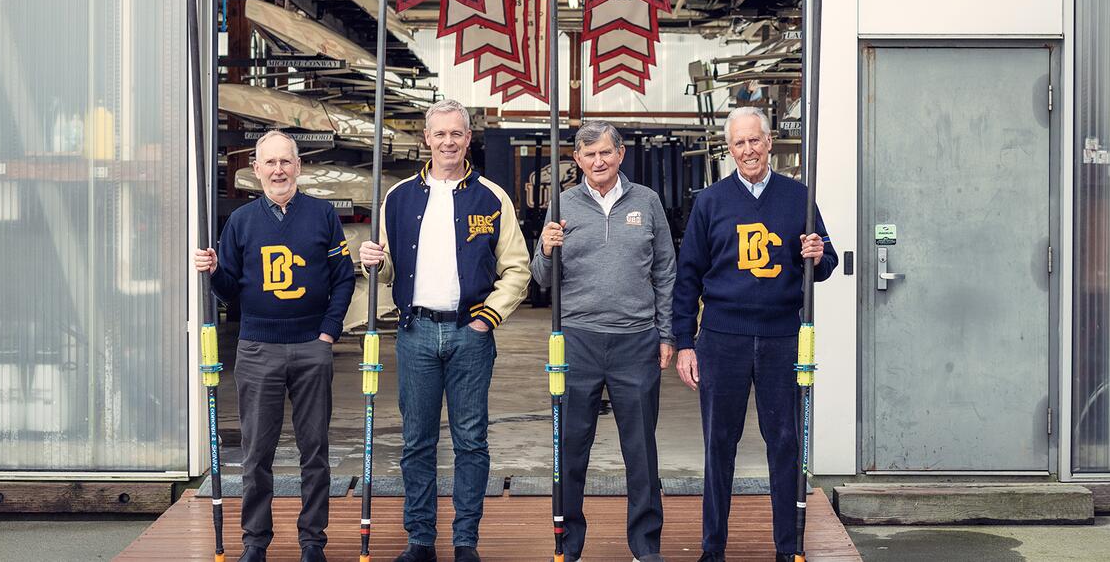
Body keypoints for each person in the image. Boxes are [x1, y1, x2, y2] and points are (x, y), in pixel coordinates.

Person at [359, 99, 530, 562]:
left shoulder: (492, 197)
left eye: (457, 134)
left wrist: (486, 319)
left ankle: (465, 541)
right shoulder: (397, 198)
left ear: (467, 139)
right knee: (417, 441)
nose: (448, 142)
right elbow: (391, 267)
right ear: (427, 139)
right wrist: (374, 260)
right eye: (440, 134)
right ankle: (420, 540)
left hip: (469, 333)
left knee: (471, 440)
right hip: (416, 332)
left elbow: (517, 268)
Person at [672, 107, 838, 562]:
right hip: (723, 337)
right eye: (738, 143)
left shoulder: (798, 197)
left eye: (754, 141)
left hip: (782, 337)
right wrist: (685, 342)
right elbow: (688, 277)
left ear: (769, 143)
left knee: (784, 444)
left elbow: (824, 267)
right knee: (718, 445)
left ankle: (789, 549)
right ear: (730, 149)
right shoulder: (710, 202)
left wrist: (817, 253)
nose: (747, 150)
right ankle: (713, 550)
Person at [194, 129, 356, 562]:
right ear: (256, 170)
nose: (279, 170)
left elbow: (343, 278)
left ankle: (312, 541)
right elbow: (231, 292)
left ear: (299, 167)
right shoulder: (242, 222)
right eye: (270, 162)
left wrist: (329, 332)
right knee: (256, 452)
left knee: (315, 451)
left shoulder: (322, 215)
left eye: (286, 161)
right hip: (257, 347)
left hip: (310, 346)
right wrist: (212, 272)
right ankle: (255, 542)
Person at [530, 121, 676, 562]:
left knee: (641, 452)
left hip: (636, 341)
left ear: (621, 154)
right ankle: (567, 545)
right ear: (577, 159)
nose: (598, 161)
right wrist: (546, 247)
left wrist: (666, 332)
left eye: (606, 153)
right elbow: (541, 279)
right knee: (571, 449)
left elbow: (666, 271)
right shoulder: (562, 205)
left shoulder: (647, 202)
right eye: (589, 154)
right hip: (578, 341)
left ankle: (646, 547)